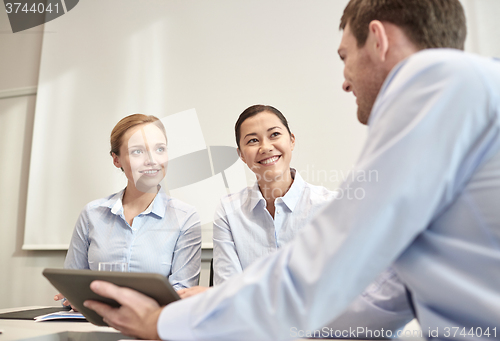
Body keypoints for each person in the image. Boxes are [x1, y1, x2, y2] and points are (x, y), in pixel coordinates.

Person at [85, 0, 500, 340]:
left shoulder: (435, 83)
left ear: (378, 39)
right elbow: (378, 302)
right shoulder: (463, 97)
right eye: (251, 141)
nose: (345, 80)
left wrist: (163, 323)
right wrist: (218, 311)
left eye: (344, 58)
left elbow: (317, 273)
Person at [178, 104, 413, 332]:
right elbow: (227, 289)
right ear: (241, 155)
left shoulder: (330, 206)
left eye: (274, 135)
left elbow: (332, 293)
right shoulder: (229, 210)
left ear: (291, 140)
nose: (265, 146)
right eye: (252, 140)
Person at [55, 114, 201, 307]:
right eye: (137, 151)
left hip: (153, 327)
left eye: (160, 149)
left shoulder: (185, 218)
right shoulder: (92, 214)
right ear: (116, 160)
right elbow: (72, 284)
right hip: (94, 323)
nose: (151, 160)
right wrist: (72, 297)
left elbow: (182, 293)